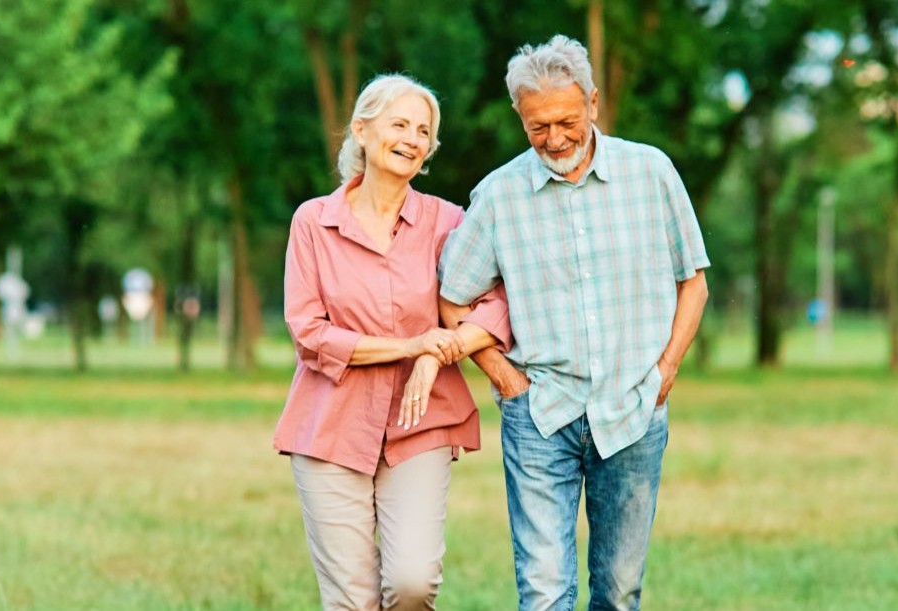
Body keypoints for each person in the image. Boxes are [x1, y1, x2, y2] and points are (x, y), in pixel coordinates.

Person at [435, 36, 711, 611]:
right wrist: (504, 378)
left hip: (633, 410)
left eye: (566, 120)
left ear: (592, 101)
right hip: (540, 416)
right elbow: (452, 297)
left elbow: (695, 282)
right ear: (520, 116)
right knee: (542, 594)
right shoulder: (499, 195)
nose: (554, 138)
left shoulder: (651, 171)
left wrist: (666, 369)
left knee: (618, 591)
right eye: (538, 127)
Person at [276, 74, 514, 611]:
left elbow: (500, 299)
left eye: (424, 130)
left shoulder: (449, 222)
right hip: (330, 428)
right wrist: (414, 347)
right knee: (352, 600)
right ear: (361, 130)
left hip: (422, 422)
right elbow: (311, 334)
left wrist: (444, 351)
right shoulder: (314, 222)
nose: (412, 137)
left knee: (412, 582)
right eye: (399, 124)